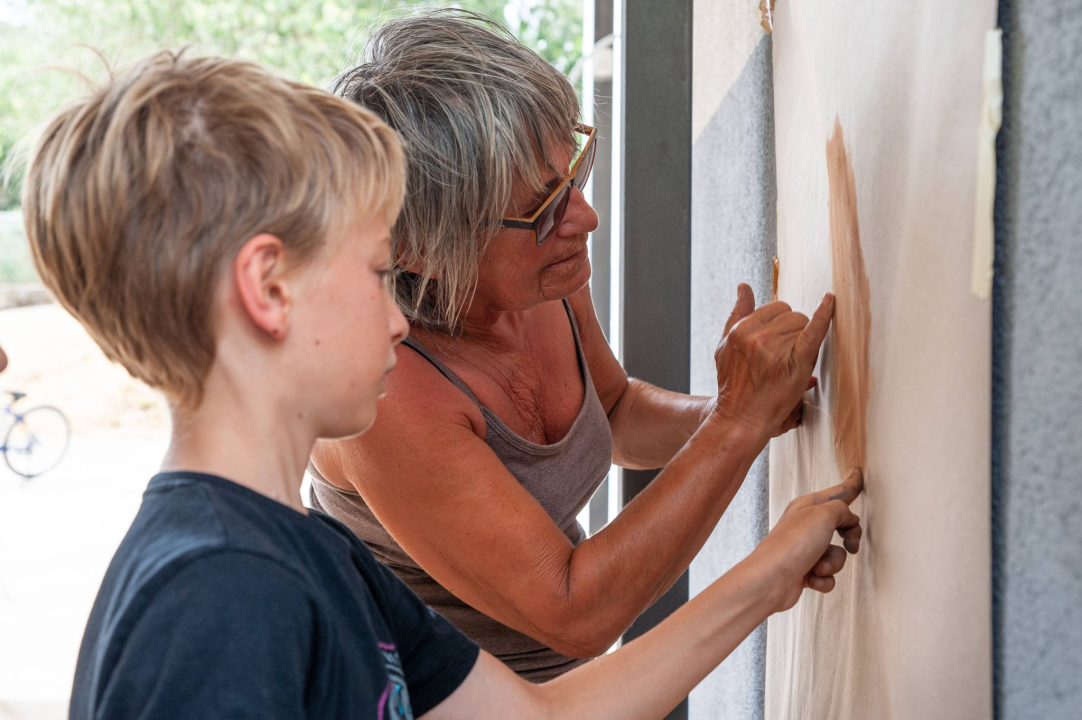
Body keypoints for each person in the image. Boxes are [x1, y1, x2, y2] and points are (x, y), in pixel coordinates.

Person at [23, 50, 862, 719]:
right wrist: (734, 432)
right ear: (268, 289)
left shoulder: (315, 556)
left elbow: (545, 715)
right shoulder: (216, 597)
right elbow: (572, 622)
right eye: (377, 273)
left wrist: (767, 572)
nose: (399, 319)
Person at [311, 9, 840, 680]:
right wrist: (735, 424)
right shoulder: (381, 389)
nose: (584, 217)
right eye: (541, 207)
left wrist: (735, 409)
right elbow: (575, 611)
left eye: (574, 174)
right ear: (418, 249)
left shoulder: (534, 276)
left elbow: (614, 413)